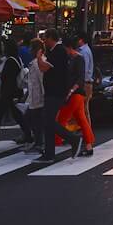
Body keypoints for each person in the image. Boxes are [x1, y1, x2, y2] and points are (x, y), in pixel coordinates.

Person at [0, 38, 31, 149]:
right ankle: (29, 137)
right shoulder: (17, 59)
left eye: (4, 46)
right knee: (17, 117)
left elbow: (8, 80)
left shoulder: (10, 61)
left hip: (7, 94)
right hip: (12, 93)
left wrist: (4, 93)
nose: (3, 48)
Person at [35, 31, 75, 164]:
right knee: (48, 122)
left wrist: (39, 57)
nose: (44, 41)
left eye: (45, 39)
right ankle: (49, 153)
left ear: (52, 38)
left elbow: (43, 68)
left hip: (55, 92)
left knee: (48, 121)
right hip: (54, 91)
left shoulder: (58, 51)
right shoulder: (55, 51)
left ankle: (72, 139)